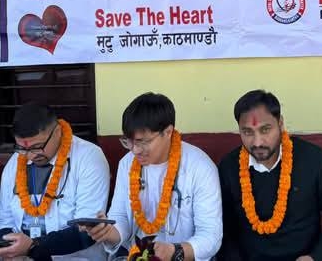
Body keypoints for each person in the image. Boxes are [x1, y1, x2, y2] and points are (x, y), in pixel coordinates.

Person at [218, 90, 322, 261]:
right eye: (247, 132)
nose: (257, 142)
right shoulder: (229, 167)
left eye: (265, 130)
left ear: (280, 123)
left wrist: (317, 257)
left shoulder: (313, 159)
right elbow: (223, 228)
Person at [85, 92, 222, 261]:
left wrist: (174, 252)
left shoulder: (200, 167)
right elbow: (120, 216)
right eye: (129, 141)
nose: (135, 150)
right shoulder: (127, 163)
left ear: (168, 132)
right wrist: (108, 232)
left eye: (143, 142)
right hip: (138, 255)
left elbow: (211, 236)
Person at [0, 102, 110, 260]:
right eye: (23, 148)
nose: (31, 155)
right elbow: (5, 221)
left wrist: (33, 246)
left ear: (57, 132)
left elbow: (87, 230)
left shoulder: (89, 157)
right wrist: (6, 245)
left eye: (37, 146)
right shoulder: (16, 162)